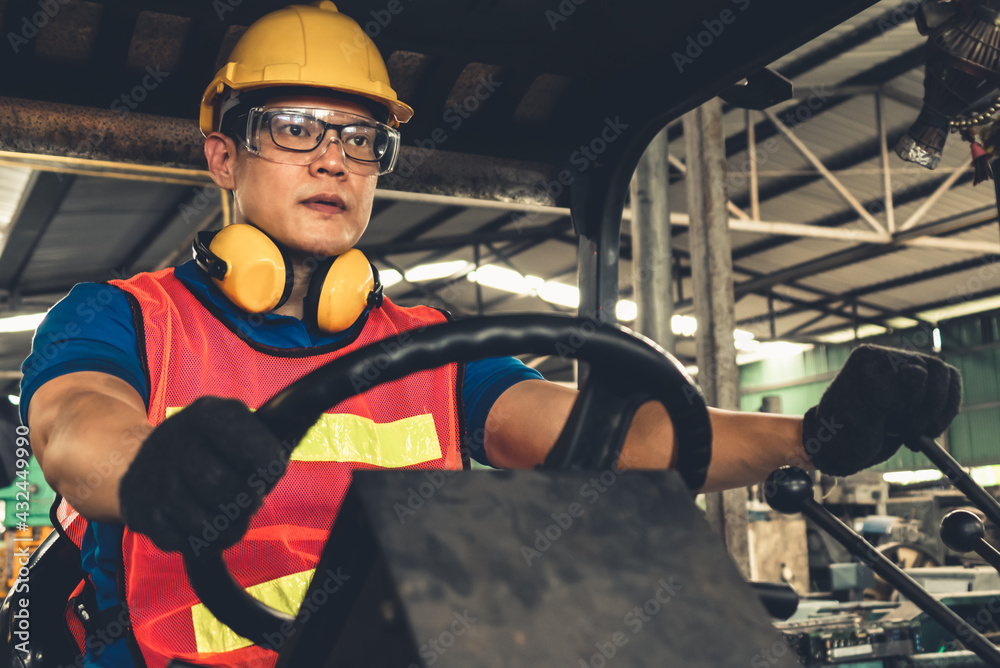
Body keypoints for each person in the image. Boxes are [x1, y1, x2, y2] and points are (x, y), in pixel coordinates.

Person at [19, 2, 962, 667]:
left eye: (362, 140)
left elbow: (610, 435)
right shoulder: (126, 318)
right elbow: (76, 428)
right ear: (223, 154)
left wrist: (809, 437)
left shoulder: (427, 350)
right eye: (297, 128)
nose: (335, 160)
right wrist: (149, 465)